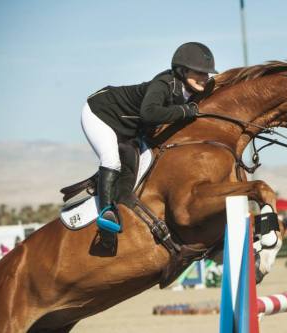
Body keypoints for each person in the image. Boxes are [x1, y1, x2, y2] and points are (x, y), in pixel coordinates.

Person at [80, 42, 218, 244]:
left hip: (128, 127)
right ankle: (106, 215)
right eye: (199, 72)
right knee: (111, 161)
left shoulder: (192, 89)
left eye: (207, 73)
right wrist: (184, 111)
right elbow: (149, 113)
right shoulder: (164, 83)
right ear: (182, 70)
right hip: (100, 113)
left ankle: (126, 204)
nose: (205, 77)